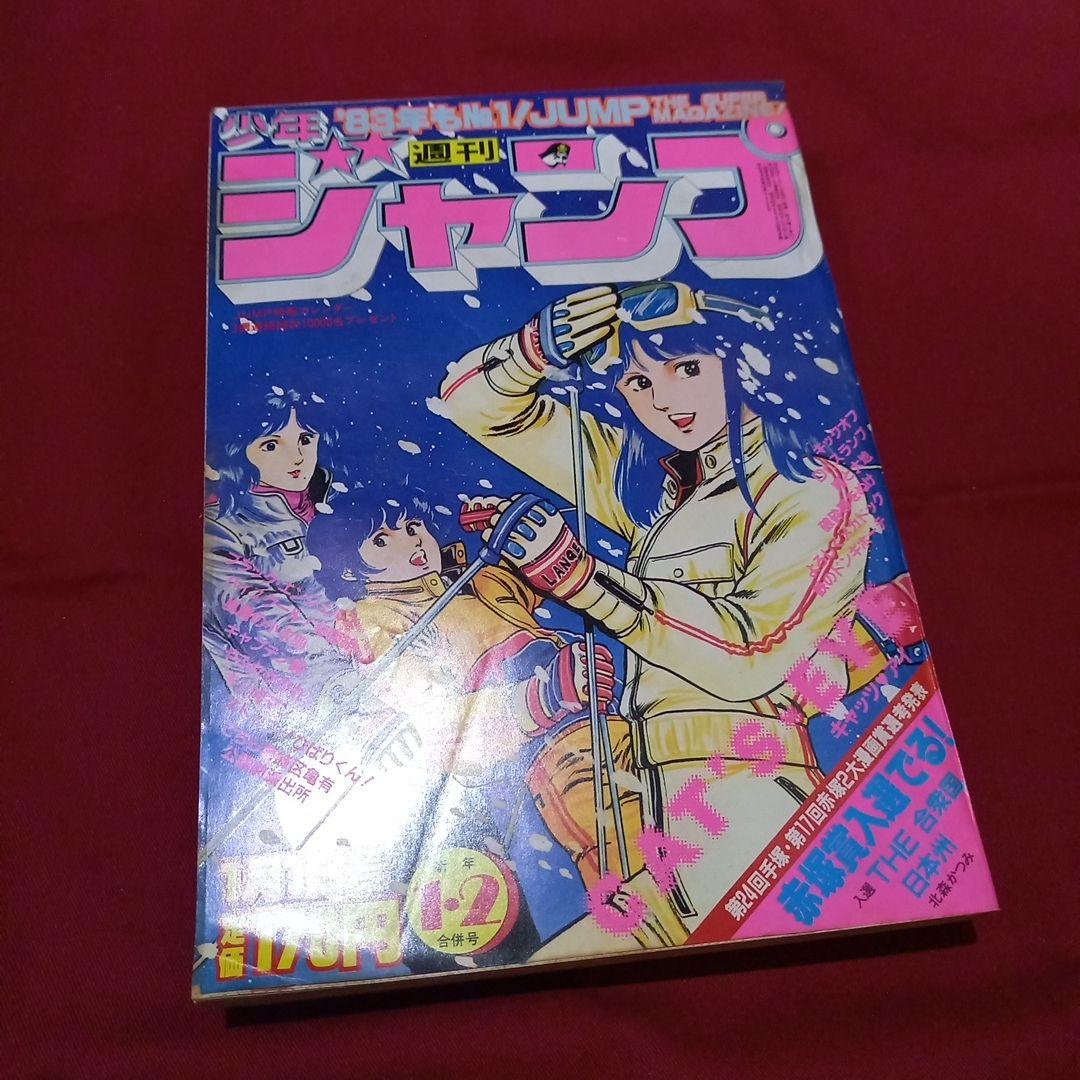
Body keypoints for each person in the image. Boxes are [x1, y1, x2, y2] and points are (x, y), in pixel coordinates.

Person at [438, 282, 875, 955]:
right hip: (664, 819)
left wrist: (582, 579)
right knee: (542, 971)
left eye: (687, 368)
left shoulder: (811, 490)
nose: (664, 400)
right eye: (638, 382)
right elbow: (470, 405)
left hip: (748, 794)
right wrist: (532, 351)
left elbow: (750, 651)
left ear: (739, 359)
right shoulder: (653, 491)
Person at [314, 485, 652, 946]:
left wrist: (512, 529)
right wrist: (546, 694)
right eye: (382, 540)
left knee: (664, 809)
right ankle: (639, 928)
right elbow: (437, 723)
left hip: (610, 721)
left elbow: (547, 575)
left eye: (414, 526)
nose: (412, 541)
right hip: (544, 758)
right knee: (618, 839)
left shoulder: (480, 582)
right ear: (351, 568)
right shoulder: (381, 620)